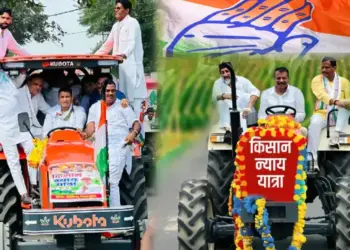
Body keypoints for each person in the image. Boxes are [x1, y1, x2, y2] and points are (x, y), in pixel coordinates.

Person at [85, 78, 141, 207]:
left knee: (113, 183)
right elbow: (91, 126)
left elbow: (136, 123)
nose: (110, 93)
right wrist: (86, 133)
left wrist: (133, 134)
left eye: (113, 91)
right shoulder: (95, 107)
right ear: (102, 92)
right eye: (107, 91)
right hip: (100, 148)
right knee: (98, 181)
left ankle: (115, 214)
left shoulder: (122, 105)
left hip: (119, 147)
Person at [95, 0, 147, 118]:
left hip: (132, 68)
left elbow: (132, 43)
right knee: (124, 102)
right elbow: (108, 44)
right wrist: (94, 57)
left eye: (118, 8)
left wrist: (124, 54)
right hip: (121, 68)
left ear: (127, 10)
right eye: (115, 8)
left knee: (134, 105)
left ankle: (137, 133)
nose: (115, 10)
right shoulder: (116, 26)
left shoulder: (133, 23)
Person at [307, 56, 350, 168]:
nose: (324, 70)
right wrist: (335, 101)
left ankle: (338, 146)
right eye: (322, 67)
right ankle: (312, 161)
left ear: (334, 68)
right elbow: (321, 95)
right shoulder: (317, 80)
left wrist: (345, 102)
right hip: (321, 113)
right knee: (314, 125)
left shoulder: (344, 82)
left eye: (327, 67)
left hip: (340, 114)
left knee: (345, 118)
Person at [0, 71, 34, 207]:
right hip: (4, 129)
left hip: (19, 123)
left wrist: (23, 74)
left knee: (32, 148)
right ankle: (23, 193)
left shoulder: (6, 81)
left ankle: (34, 185)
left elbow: (17, 83)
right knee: (13, 163)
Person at [212, 62, 260, 132]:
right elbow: (214, 98)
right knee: (221, 102)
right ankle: (227, 129)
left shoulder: (242, 80)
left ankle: (246, 132)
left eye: (227, 71)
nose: (225, 74)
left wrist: (249, 107)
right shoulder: (218, 83)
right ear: (220, 74)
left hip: (244, 111)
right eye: (222, 72)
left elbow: (256, 92)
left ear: (232, 71)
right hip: (228, 113)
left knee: (246, 96)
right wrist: (224, 96)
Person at [16, 73, 51, 138]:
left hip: (32, 128)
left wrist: (59, 113)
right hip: (17, 129)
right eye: (35, 84)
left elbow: (48, 110)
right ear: (29, 83)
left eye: (40, 86)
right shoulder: (18, 93)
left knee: (49, 133)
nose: (38, 87)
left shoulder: (38, 95)